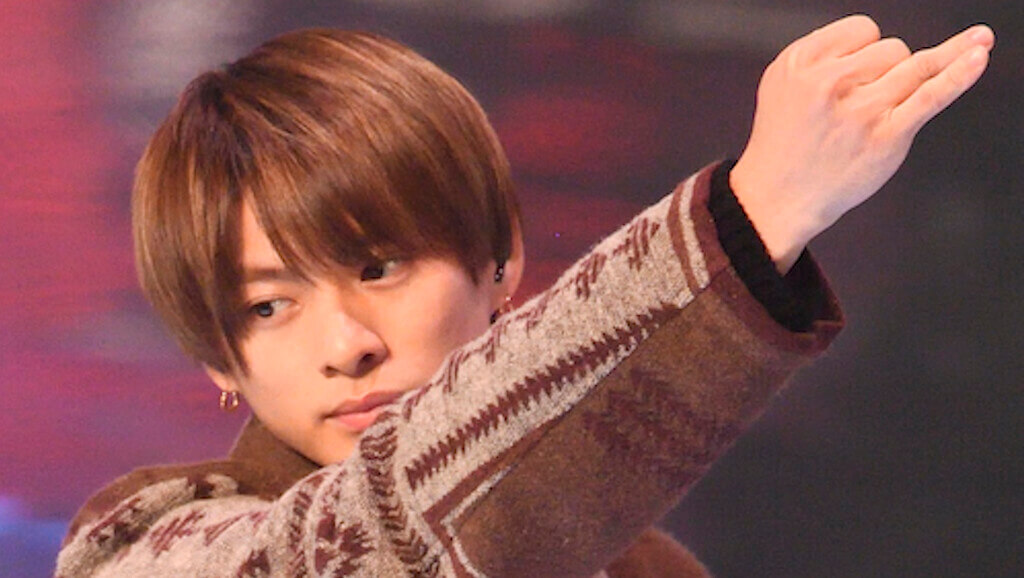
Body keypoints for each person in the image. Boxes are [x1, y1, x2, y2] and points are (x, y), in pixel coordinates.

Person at [55, 14, 993, 577]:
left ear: (499, 259)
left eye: (378, 269)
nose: (346, 343)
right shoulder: (143, 543)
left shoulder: (649, 568)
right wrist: (751, 217)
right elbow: (381, 544)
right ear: (219, 358)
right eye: (268, 306)